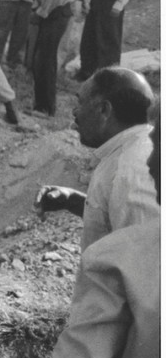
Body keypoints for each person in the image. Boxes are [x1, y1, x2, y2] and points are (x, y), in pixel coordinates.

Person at [40, 110, 160, 358]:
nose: (151, 162)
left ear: (105, 109)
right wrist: (75, 202)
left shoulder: (120, 259)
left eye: (158, 147)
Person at [34, 66, 157, 251]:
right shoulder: (134, 149)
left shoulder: (130, 173)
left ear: (104, 110)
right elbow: (120, 222)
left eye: (81, 103)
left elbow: (141, 261)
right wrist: (74, 201)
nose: (75, 112)